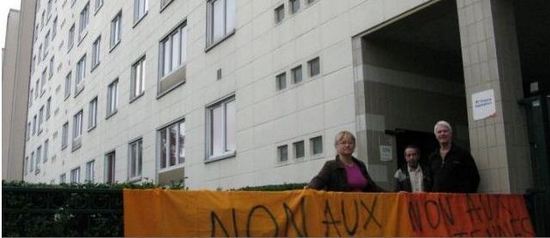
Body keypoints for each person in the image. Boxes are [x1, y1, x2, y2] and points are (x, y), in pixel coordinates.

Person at [308, 131, 384, 192]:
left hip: (362, 208)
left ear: (354, 146)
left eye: (350, 143)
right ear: (336, 146)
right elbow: (318, 182)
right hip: (340, 208)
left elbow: (372, 187)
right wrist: (306, 191)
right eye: (343, 143)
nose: (347, 145)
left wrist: (392, 195)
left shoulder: (360, 165)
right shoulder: (330, 166)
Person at [429, 120, 480, 193]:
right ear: (436, 136)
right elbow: (431, 180)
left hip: (458, 200)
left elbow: (474, 177)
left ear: (450, 134)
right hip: (438, 200)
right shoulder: (433, 157)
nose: (442, 134)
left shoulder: (462, 154)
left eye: (445, 131)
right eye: (439, 132)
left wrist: (466, 197)